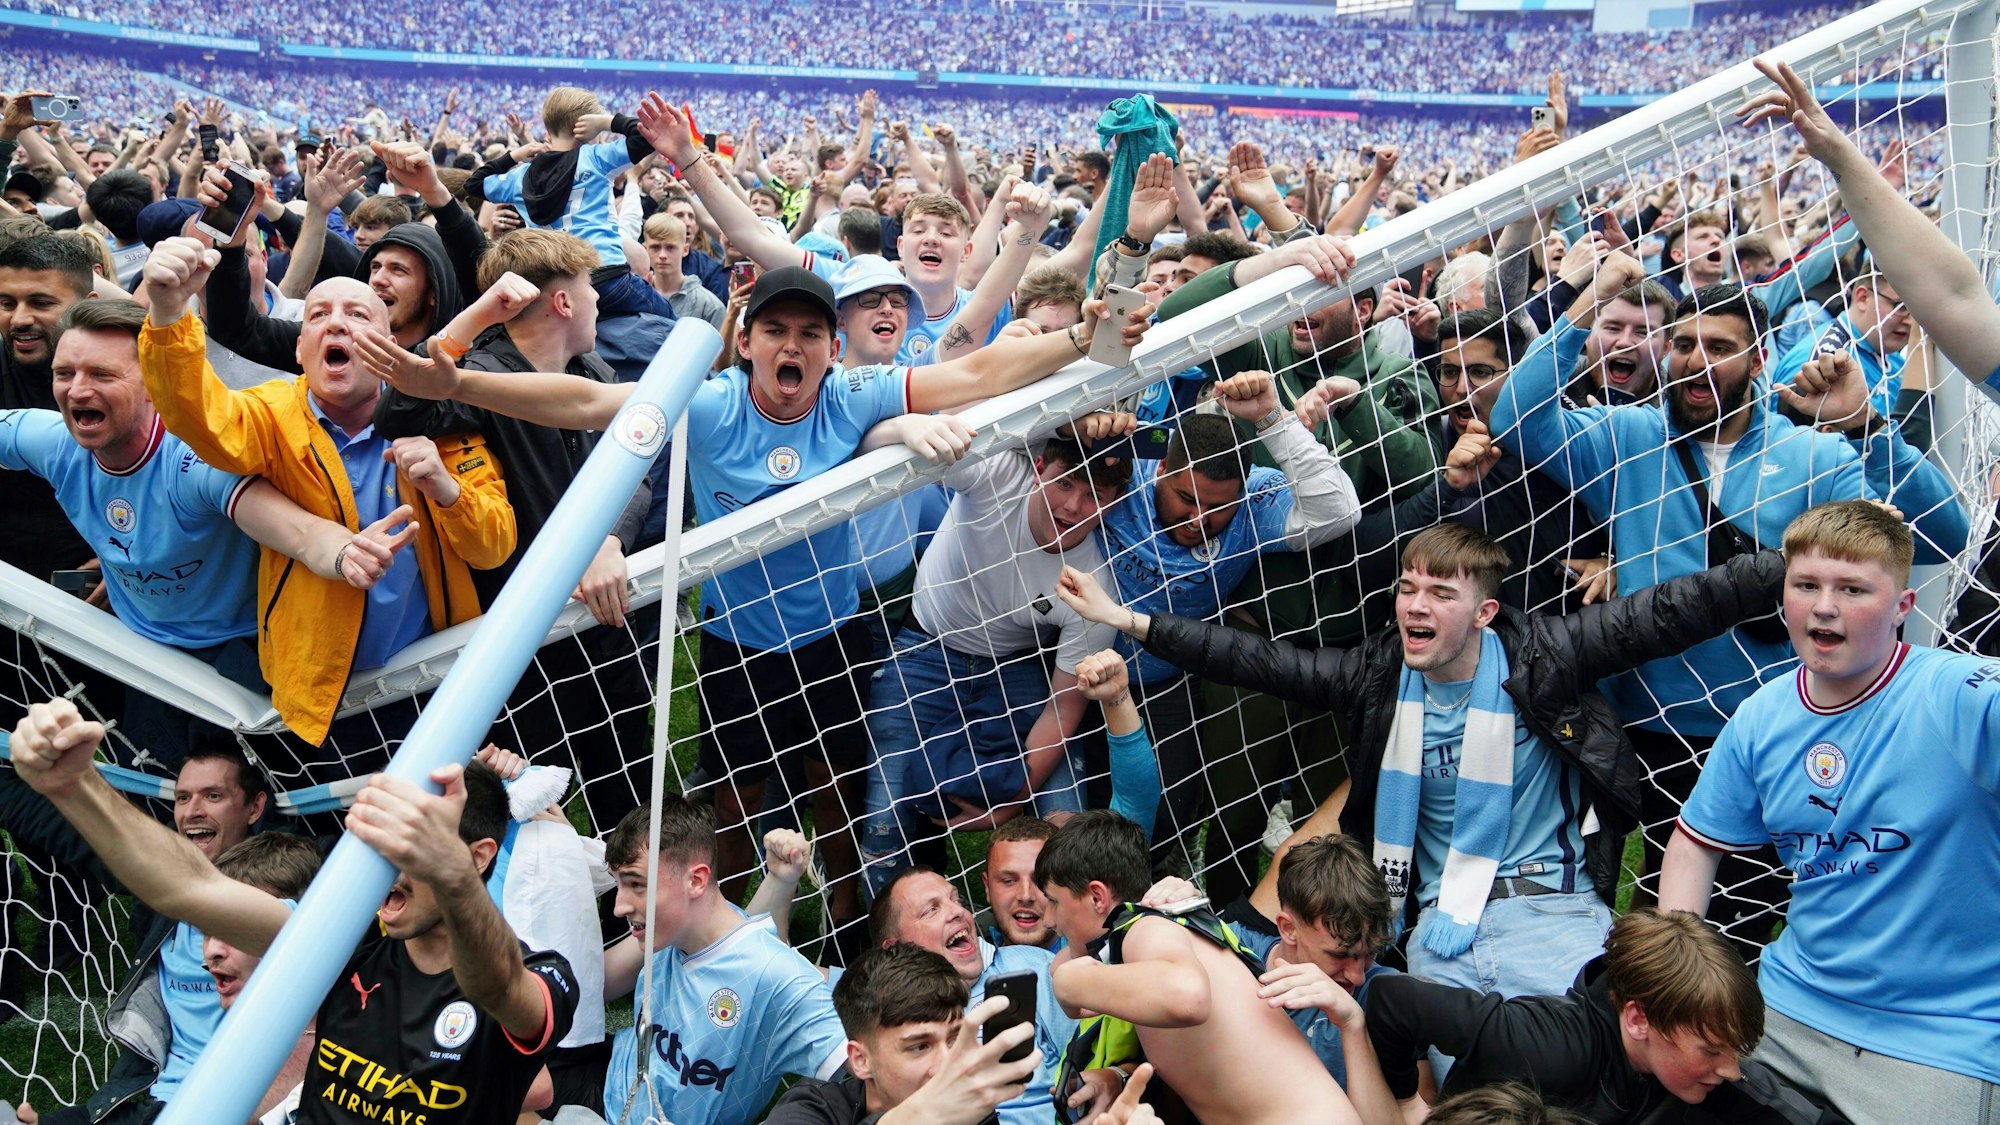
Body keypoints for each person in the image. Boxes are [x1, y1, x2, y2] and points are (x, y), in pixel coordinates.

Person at [355, 225, 1153, 953]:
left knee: (837, 796)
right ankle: (716, 940)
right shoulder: (711, 405)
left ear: (832, 348)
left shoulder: (850, 395)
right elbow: (587, 402)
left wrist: (1081, 338)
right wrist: (458, 388)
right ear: (746, 340)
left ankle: (848, 940)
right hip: (739, 643)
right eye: (776, 330)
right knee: (731, 804)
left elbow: (974, 371)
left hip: (834, 638)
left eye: (810, 332)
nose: (792, 345)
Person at [1055, 524, 1790, 1005]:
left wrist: (1801, 569)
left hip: (1557, 913)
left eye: (1441, 592)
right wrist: (1130, 622)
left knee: (1583, 1068)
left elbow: (1675, 608)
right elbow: (1255, 660)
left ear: (1484, 613)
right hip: (1433, 932)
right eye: (1408, 586)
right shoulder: (1376, 676)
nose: (1416, 602)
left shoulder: (1547, 657)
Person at [1488, 254, 1967, 956]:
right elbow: (1516, 417)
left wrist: (1866, 424)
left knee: (1750, 912)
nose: (1696, 361)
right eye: (1683, 344)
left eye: (1718, 346)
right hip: (1643, 723)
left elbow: (1940, 537)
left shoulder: (1814, 455)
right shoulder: (1628, 439)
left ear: (1760, 356)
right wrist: (1589, 300)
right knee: (1651, 910)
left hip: (1768, 724)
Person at [9, 698, 580, 1125]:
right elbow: (188, 887)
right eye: (385, 838)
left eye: (413, 843)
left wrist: (452, 874)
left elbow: (499, 985)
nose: (389, 861)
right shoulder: (343, 951)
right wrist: (74, 788)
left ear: (479, 856)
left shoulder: (541, 974)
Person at [1661, 502, 2000, 1123]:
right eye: (1806, 585)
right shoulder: (1762, 716)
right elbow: (1694, 841)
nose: (1824, 606)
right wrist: (1676, 967)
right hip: (1790, 1008)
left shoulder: (1956, 694)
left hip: (1943, 1037)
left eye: (1852, 589)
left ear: (1904, 606)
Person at [138, 235, 516, 751]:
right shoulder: (270, 413)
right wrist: (166, 310)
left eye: (360, 315)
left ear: (393, 348)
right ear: (299, 348)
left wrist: (445, 489)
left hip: (437, 677)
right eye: (317, 315)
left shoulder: (437, 416)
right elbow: (197, 417)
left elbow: (493, 547)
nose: (336, 324)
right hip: (320, 698)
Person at [1095, 369, 1361, 888]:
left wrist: (1271, 418)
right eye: (1185, 498)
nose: (1198, 519)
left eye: (1217, 506)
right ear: (1161, 474)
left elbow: (1339, 509)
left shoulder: (1256, 504)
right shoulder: (1135, 460)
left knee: (1161, 819)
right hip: (1069, 666)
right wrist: (1085, 424)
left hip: (1164, 682)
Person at [854, 430, 1127, 885]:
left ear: (1112, 503)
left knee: (1064, 809)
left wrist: (1011, 800)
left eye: (1093, 495)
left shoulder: (1093, 585)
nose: (1073, 507)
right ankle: (886, 939)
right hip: (926, 643)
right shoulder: (998, 474)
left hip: (1013, 662)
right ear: (1038, 469)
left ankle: (1062, 940)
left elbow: (1064, 708)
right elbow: (934, 432)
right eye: (1065, 484)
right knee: (885, 812)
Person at [1034, 811, 1371, 1125]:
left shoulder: (1146, 930)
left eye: (1053, 901)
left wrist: (1068, 981)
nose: (1049, 920)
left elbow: (1188, 997)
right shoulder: (1162, 936)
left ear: (1096, 897)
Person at [1364, 909, 1836, 1124]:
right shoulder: (1543, 1046)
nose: (1730, 1069)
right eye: (1712, 1050)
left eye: (1735, 1050)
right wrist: (1407, 1100)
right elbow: (1391, 1000)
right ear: (1638, 1019)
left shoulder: (1702, 1075)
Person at [15, 746, 275, 1125]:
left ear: (255, 808)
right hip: (154, 1101)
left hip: (239, 1106)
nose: (192, 810)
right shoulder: (160, 894)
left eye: (213, 795)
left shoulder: (290, 890)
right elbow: (70, 834)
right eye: (183, 798)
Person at [598, 797, 849, 1125]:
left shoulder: (778, 977)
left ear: (696, 881)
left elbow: (879, 1063)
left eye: (636, 885)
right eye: (619, 884)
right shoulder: (667, 932)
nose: (619, 906)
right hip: (608, 1088)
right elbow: (598, 983)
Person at [866, 868, 1077, 1125]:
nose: (958, 912)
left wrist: (1113, 1074)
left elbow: (1086, 1059)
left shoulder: (1030, 965)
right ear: (896, 947)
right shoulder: (876, 1010)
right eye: (931, 909)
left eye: (957, 900)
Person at [763, 944, 1038, 1125]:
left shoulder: (968, 1108)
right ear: (861, 1059)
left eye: (953, 1039)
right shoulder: (812, 1109)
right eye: (920, 1046)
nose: (947, 1066)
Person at [1766, 271, 1910, 422]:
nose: (1911, 321)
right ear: (1863, 298)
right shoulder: (1821, 361)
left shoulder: (1891, 356)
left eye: (1916, 311)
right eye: (1901, 306)